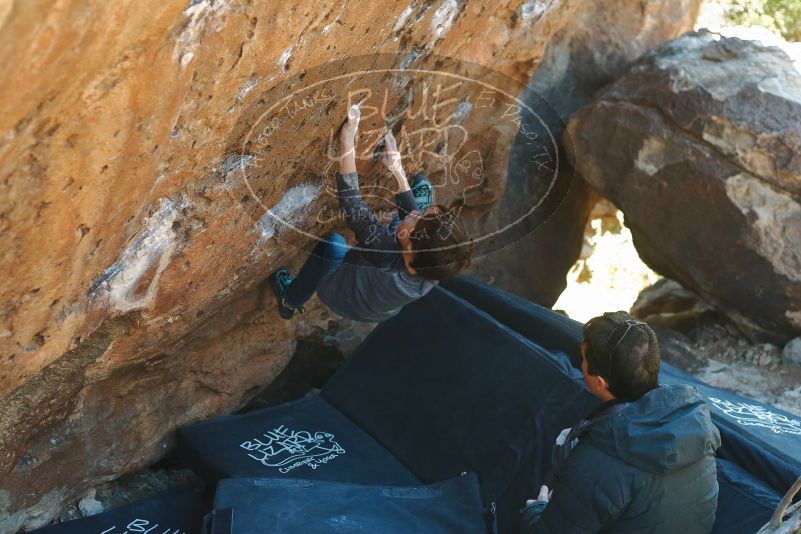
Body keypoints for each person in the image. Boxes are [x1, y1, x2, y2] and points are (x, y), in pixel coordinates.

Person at [522, 311, 721, 533]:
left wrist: (536, 510)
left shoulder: (598, 460)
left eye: (583, 360)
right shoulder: (695, 421)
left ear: (599, 382)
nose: (581, 365)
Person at [271, 104, 473, 322]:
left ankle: (290, 300)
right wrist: (397, 170)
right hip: (377, 308)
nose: (416, 212)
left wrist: (347, 140)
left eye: (419, 217)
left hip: (339, 294)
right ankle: (411, 215)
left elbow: (353, 205)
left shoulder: (382, 253)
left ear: (410, 245)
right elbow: (415, 234)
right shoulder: (437, 266)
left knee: (334, 244)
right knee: (419, 190)